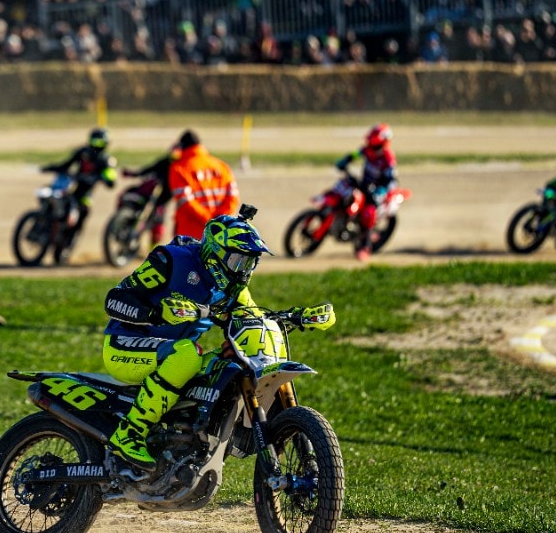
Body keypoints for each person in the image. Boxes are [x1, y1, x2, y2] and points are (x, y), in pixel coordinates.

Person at [103, 206, 335, 470]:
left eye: (250, 263)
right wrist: (155, 313)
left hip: (177, 351)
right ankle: (130, 432)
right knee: (187, 355)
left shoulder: (234, 287)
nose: (243, 272)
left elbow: (252, 318)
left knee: (230, 362)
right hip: (125, 345)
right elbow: (114, 300)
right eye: (238, 261)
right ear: (215, 253)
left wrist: (301, 317)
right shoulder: (170, 260)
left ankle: (186, 441)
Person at [40, 128, 118, 254]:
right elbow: (66, 164)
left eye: (99, 142)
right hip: (69, 187)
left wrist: (101, 178)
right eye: (94, 141)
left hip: (84, 193)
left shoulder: (106, 160)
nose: (96, 144)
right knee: (50, 196)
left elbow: (111, 179)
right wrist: (52, 167)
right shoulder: (83, 152)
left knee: (83, 211)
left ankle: (70, 240)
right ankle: (44, 225)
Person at [335, 123, 399, 261]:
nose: (371, 148)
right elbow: (355, 154)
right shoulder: (367, 150)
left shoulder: (388, 159)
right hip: (363, 185)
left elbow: (391, 180)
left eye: (375, 146)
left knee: (368, 214)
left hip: (377, 191)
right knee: (343, 191)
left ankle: (365, 246)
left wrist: (382, 190)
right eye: (370, 144)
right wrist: (345, 160)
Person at [167, 129, 238, 242]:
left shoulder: (178, 168)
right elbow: (232, 198)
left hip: (190, 234)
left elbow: (186, 202)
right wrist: (218, 219)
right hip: (221, 233)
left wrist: (208, 219)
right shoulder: (221, 165)